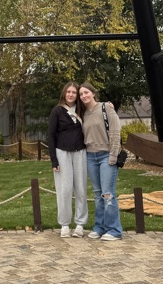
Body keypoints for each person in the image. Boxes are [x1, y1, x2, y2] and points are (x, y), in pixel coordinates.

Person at [78, 81, 123, 241]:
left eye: (86, 92)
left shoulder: (106, 108)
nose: (84, 96)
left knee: (108, 193)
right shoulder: (83, 113)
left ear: (93, 93)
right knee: (98, 194)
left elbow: (116, 132)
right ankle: (100, 227)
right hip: (90, 156)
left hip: (106, 155)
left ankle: (114, 229)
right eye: (81, 94)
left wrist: (113, 154)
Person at [47, 82, 89, 238]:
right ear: (64, 93)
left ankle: (80, 224)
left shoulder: (82, 110)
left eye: (74, 92)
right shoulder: (57, 111)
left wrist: (108, 105)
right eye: (68, 92)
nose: (71, 94)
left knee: (81, 189)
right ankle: (64, 224)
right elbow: (50, 136)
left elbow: (96, 106)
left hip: (80, 153)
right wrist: (54, 160)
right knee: (64, 190)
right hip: (62, 153)